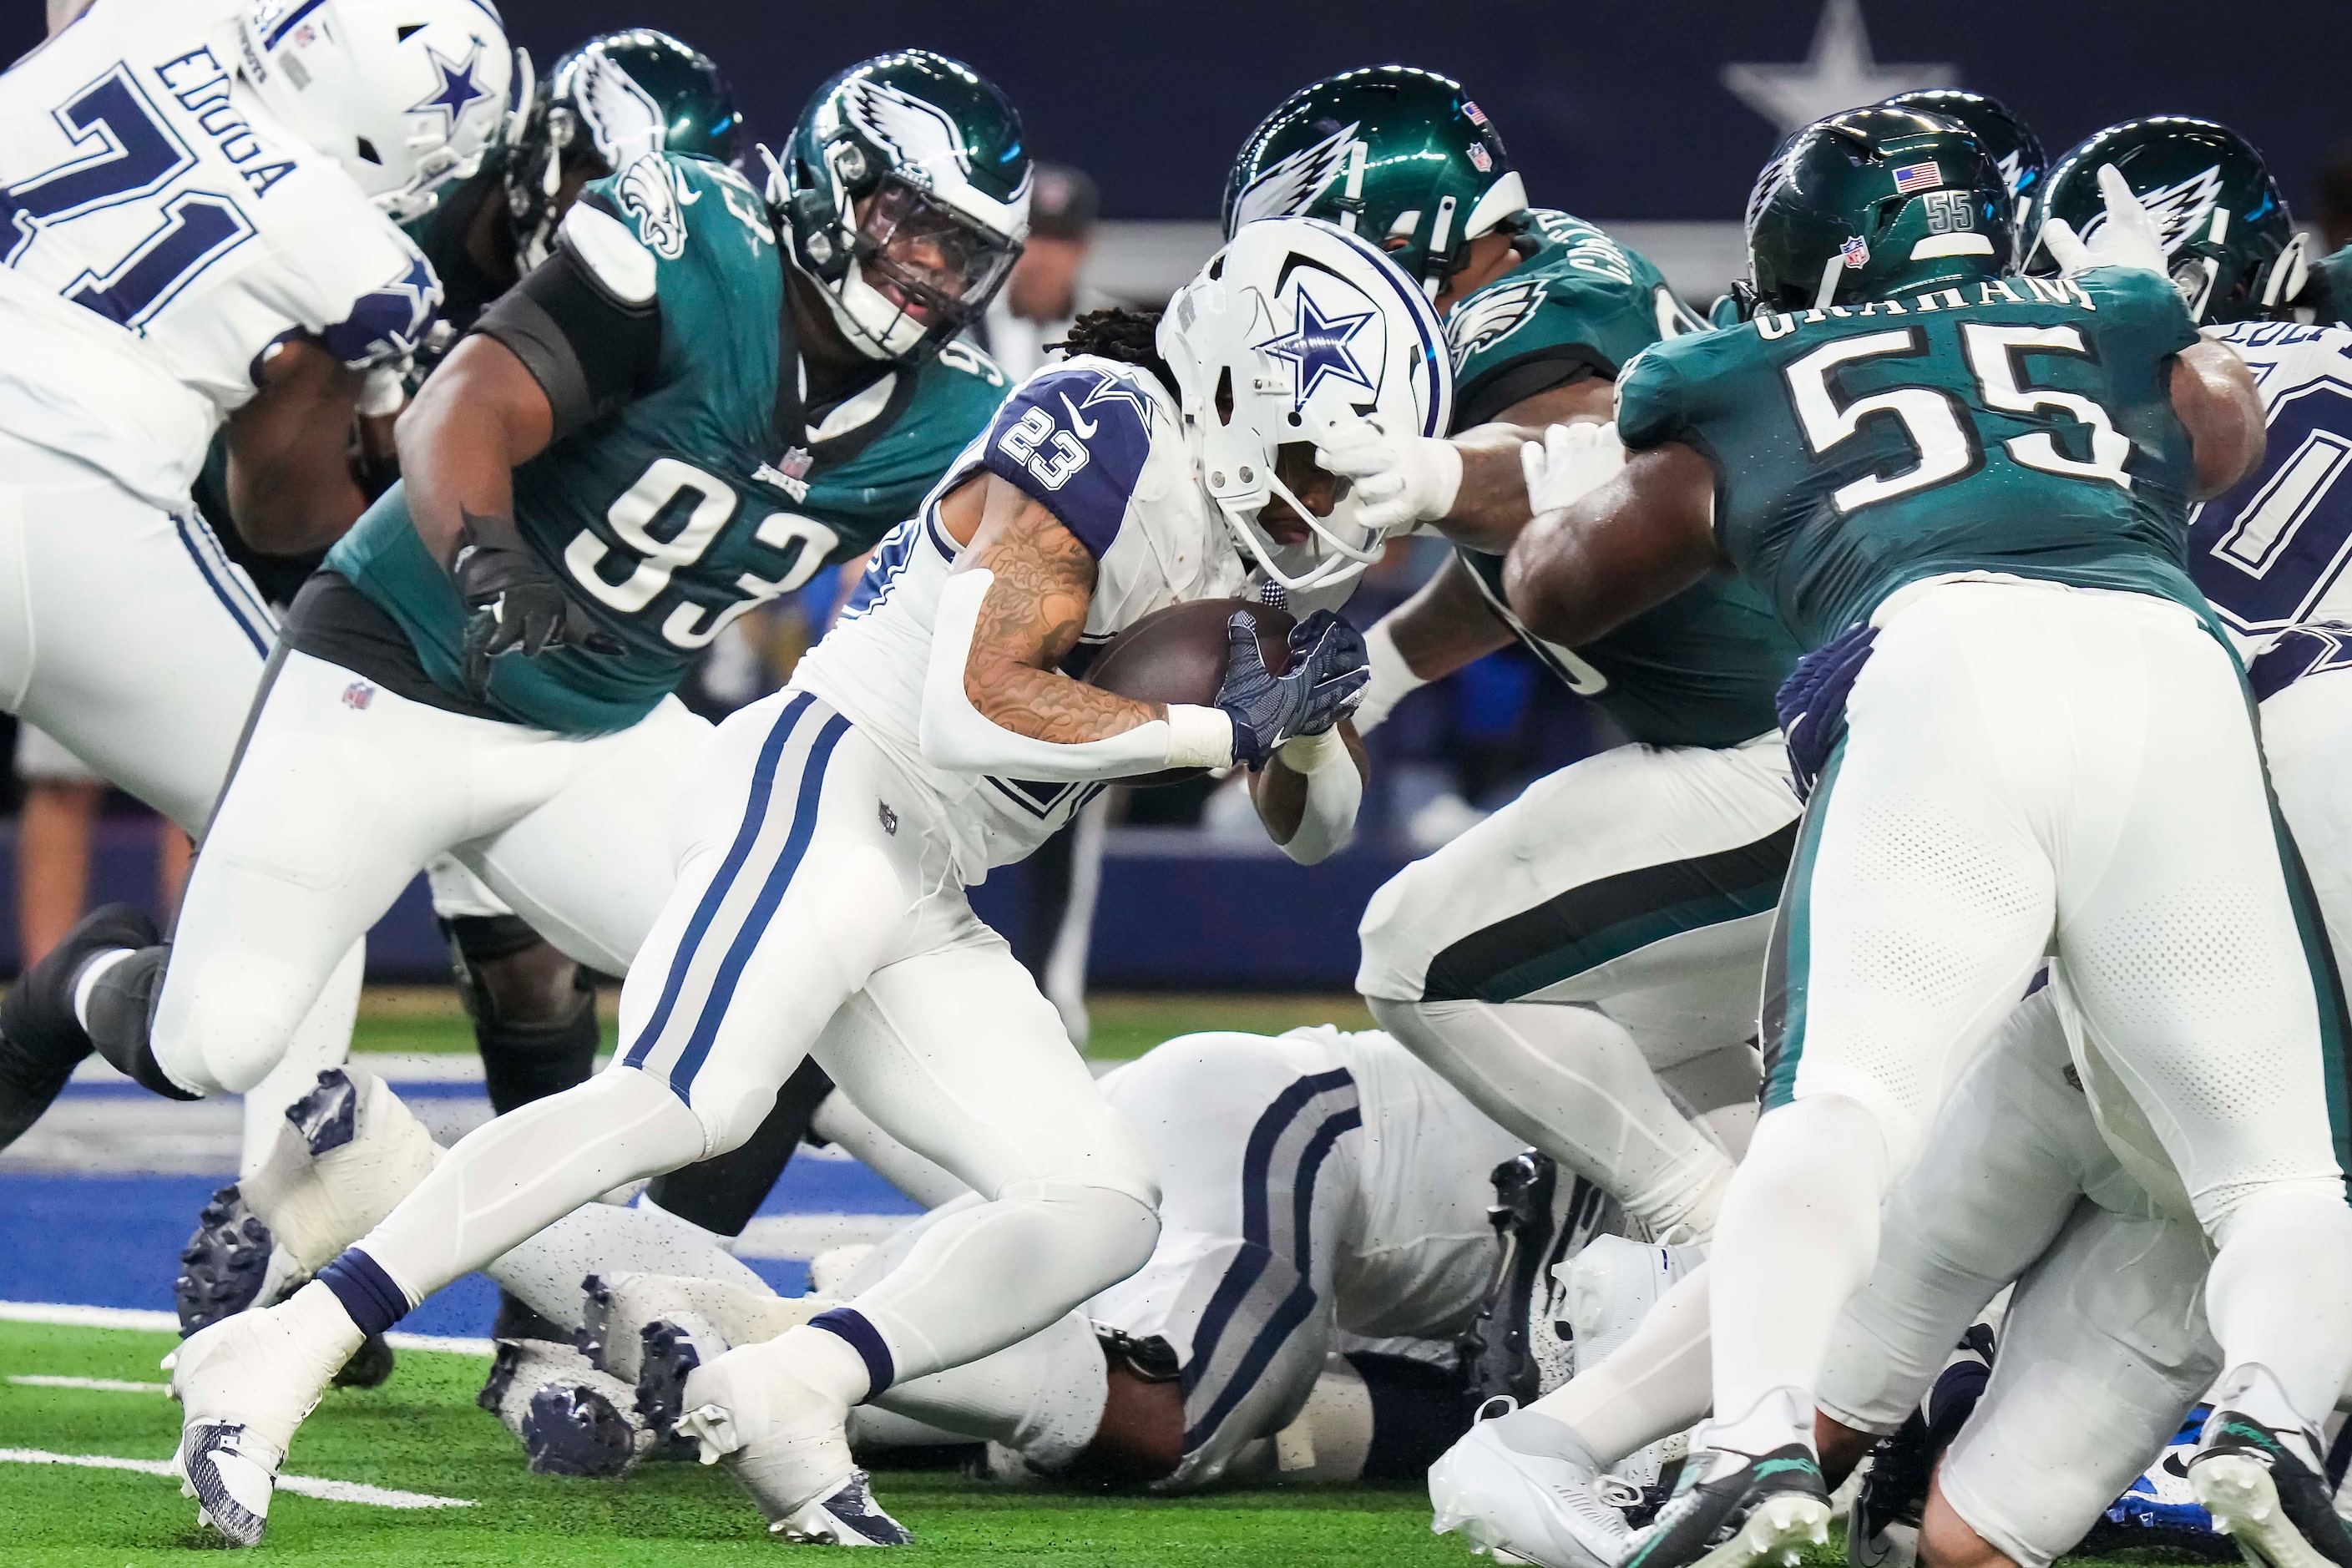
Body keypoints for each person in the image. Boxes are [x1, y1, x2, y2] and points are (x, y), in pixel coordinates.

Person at [157, 213, 1461, 1548]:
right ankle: (281, 1349)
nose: (1335, 500)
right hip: (830, 778)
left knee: (1097, 1206)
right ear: (1240, 385)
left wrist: (1304, 724)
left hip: (933, 873)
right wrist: (1212, 731)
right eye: (1320, 454)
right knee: (682, 1097)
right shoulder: (1107, 417)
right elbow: (970, 702)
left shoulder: (1253, 544)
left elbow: (1314, 828)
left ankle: (800, 1379)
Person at [1503, 104, 2352, 1568]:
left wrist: (1555, 504)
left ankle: (1750, 1437)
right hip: (2174, 671)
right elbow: (2222, 428)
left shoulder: (1740, 364)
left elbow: (1559, 588)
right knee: (2279, 1176)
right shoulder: (2118, 313)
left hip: (1948, 662)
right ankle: (2269, 1421)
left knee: (1839, 1103)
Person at [1227, 66, 1801, 1242]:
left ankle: (1698, 1245)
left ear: (1389, 229)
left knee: (1415, 952)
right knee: (1658, 1062)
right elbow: (1539, 549)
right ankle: (1824, 1323)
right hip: (1792, 754)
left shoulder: (1520, 318)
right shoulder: (1534, 271)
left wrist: (1438, 474)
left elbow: (1590, 448)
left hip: (1773, 758)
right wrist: (1386, 665)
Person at [0, 0, 510, 1151]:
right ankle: (277, 1226)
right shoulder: (368, 263)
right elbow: (278, 515)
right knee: (310, 815)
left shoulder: (144, 18)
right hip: (79, 499)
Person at [977, 161, 1105, 382]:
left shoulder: (1110, 330)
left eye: (1060, 237)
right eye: (1033, 233)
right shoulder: (971, 321)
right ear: (1009, 237)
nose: (1044, 253)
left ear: (1083, 246)